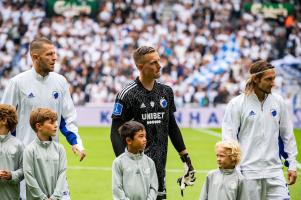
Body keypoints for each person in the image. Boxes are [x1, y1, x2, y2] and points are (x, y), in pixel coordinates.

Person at [1, 37, 85, 199]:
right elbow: (4, 119)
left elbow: (67, 118)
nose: (55, 58)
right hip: (25, 158)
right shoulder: (18, 83)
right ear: (35, 57)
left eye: (55, 53)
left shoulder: (60, 82)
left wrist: (76, 143)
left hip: (53, 157)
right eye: (49, 54)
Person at [110, 46, 195, 199]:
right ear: (140, 67)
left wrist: (186, 158)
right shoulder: (127, 94)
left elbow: (172, 126)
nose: (159, 65)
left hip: (160, 166)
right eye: (153, 62)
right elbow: (115, 131)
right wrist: (124, 162)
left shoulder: (166, 92)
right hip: (136, 167)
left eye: (159, 61)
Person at [222, 59, 298, 199]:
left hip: (275, 172)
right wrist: (235, 171)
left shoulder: (278, 101)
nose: (273, 83)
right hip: (247, 173)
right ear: (256, 79)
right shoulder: (236, 104)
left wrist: (292, 165)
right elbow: (229, 140)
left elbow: (287, 135)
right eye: (269, 79)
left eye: (274, 78)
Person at [23, 108, 68, 200]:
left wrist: (55, 197)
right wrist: (42, 198)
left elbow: (62, 173)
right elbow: (29, 176)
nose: (56, 125)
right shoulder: (29, 150)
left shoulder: (60, 149)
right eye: (51, 123)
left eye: (55, 122)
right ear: (39, 126)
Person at [112, 120, 158, 200]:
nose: (145, 139)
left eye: (145, 136)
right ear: (129, 140)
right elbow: (117, 189)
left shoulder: (149, 162)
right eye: (141, 136)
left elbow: (154, 187)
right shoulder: (118, 162)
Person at [0, 104, 24, 200]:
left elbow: (25, 170)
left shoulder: (18, 144)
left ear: (4, 120)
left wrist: (12, 175)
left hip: (11, 196)